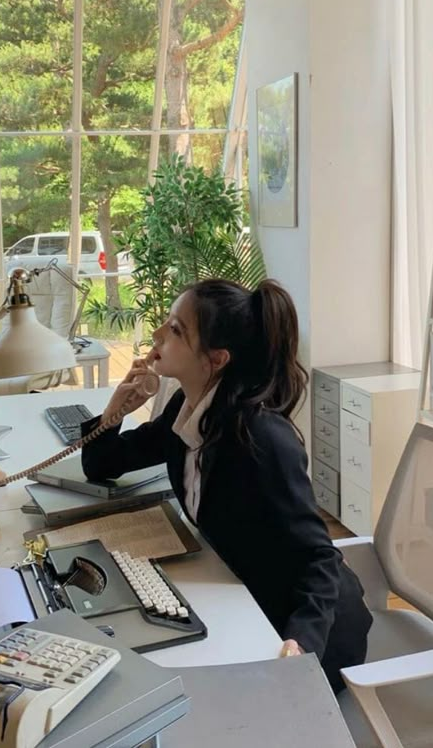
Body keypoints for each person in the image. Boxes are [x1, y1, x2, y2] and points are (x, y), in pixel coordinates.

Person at [81, 278, 372, 694]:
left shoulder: (262, 440)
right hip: (237, 596)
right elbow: (102, 464)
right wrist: (115, 410)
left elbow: (319, 559)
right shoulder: (189, 408)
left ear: (215, 359)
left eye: (177, 329)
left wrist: (299, 645)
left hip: (302, 632)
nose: (158, 334)